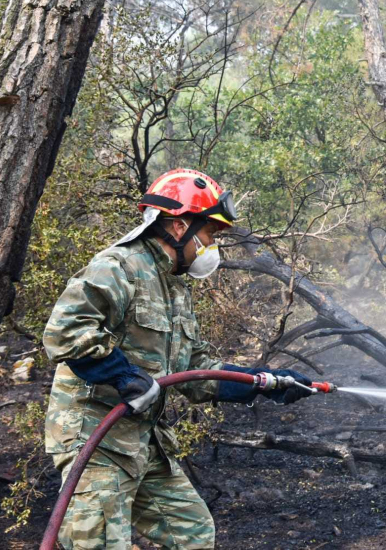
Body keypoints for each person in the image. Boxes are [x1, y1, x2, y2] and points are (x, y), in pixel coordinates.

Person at [42, 168, 312, 549]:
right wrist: (123, 377)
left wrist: (263, 382)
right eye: (208, 234)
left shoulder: (174, 287)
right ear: (179, 225)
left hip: (144, 442)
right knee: (98, 544)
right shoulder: (119, 266)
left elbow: (194, 369)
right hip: (96, 440)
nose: (210, 246)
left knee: (192, 534)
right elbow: (64, 332)